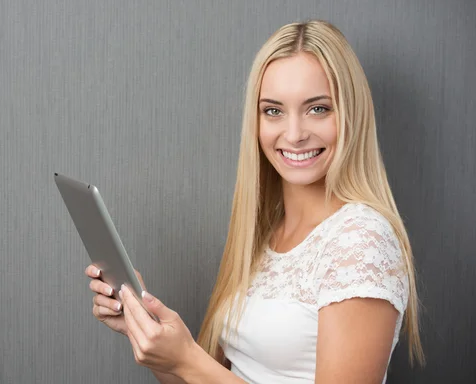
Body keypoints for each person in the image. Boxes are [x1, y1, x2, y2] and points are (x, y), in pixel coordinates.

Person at [85, 20, 425, 383]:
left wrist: (185, 358)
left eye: (318, 108)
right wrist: (147, 331)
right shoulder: (261, 236)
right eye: (273, 111)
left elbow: (194, 368)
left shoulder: (362, 240)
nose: (294, 135)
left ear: (351, 114)